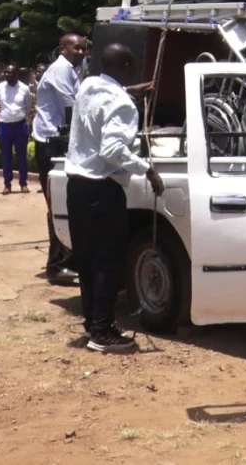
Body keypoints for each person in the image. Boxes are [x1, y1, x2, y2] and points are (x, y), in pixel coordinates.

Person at [65, 43, 165, 353]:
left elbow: (106, 94)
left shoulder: (88, 85)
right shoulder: (122, 104)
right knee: (107, 262)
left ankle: (94, 322)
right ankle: (102, 332)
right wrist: (147, 169)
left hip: (77, 187)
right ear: (124, 65)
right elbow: (112, 151)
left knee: (87, 261)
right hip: (102, 188)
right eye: (131, 65)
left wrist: (131, 89)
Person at [32, 35, 88, 285]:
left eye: (84, 47)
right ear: (63, 48)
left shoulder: (71, 70)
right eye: (76, 47)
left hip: (60, 144)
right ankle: (57, 265)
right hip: (50, 145)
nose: (81, 51)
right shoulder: (60, 70)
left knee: (70, 204)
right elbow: (75, 105)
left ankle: (71, 259)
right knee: (57, 205)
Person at [0, 64, 32, 195]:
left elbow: (28, 107)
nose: (8, 75)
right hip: (4, 126)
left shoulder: (25, 89)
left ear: (16, 74)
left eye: (10, 73)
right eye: (6, 73)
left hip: (20, 126)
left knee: (22, 156)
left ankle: (23, 183)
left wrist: (21, 118)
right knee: (6, 156)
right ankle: (7, 184)